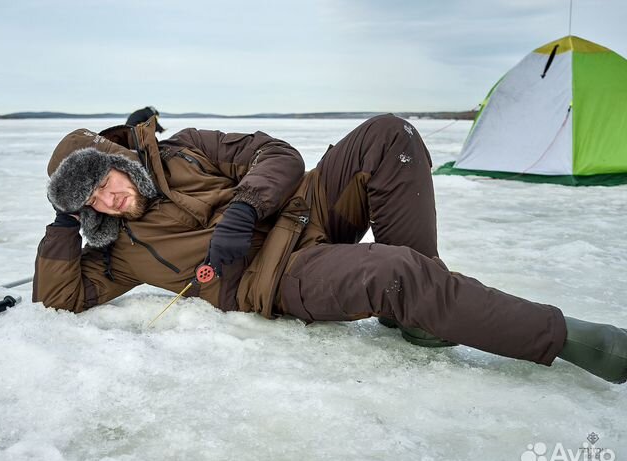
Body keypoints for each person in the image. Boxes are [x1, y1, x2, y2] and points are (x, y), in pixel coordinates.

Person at [33, 108, 627, 384]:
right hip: (281, 273)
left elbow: (279, 155)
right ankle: (581, 342)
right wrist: (63, 226)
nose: (106, 200)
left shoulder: (185, 147)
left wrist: (244, 207)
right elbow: (59, 299)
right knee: (395, 272)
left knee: (389, 135)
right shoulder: (117, 253)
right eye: (87, 201)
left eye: (101, 180)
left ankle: (423, 311)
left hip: (301, 210)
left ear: (117, 159)